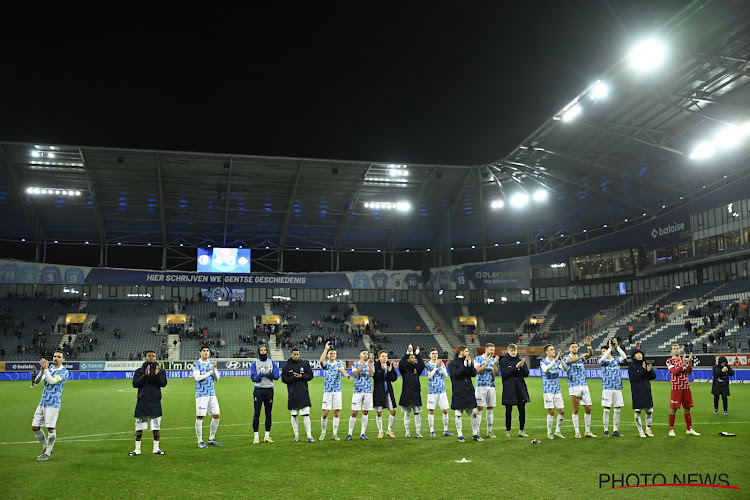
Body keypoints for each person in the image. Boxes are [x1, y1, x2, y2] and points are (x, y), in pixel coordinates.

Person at [31, 350, 69, 461]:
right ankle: (45, 446)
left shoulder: (64, 372)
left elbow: (52, 381)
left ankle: (47, 453)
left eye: (58, 357)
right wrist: (42, 371)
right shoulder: (50, 369)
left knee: (50, 429)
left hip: (53, 403)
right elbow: (37, 381)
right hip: (43, 402)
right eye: (54, 356)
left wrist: (46, 370)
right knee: (35, 427)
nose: (55, 358)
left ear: (63, 360)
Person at [129, 350, 168, 456]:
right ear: (145, 357)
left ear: (156, 358)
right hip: (143, 402)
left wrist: (157, 376)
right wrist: (145, 376)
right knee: (139, 428)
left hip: (155, 402)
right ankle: (137, 449)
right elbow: (135, 384)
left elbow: (163, 383)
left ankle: (156, 448)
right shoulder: (139, 371)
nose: (151, 357)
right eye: (149, 356)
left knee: (156, 427)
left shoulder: (161, 370)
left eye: (153, 356)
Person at [564, 337, 597, 439]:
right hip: (574, 386)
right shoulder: (566, 357)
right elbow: (570, 361)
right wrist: (581, 356)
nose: (574, 348)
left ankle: (587, 431)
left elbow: (590, 354)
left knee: (588, 408)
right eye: (572, 347)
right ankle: (577, 431)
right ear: (569, 349)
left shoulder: (580, 357)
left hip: (584, 385)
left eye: (576, 347)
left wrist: (588, 346)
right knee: (576, 409)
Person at [318, 341, 351, 440]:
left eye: (334, 353)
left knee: (336, 412)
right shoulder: (326, 364)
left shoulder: (339, 364)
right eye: (331, 353)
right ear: (328, 355)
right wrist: (325, 349)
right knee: (325, 413)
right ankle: (323, 431)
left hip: (337, 391)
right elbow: (321, 361)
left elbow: (343, 371)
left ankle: (335, 433)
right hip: (328, 391)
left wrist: (347, 375)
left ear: (336, 355)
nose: (332, 355)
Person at [282, 348, 316, 442]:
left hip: (303, 392)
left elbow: (310, 376)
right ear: (291, 354)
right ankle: (296, 436)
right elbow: (284, 379)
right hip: (292, 393)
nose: (296, 356)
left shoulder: (305, 365)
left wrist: (301, 376)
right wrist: (293, 377)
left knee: (306, 414)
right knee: (294, 415)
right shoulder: (286, 367)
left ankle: (309, 436)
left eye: (297, 354)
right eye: (294, 354)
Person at [667, 344, 700, 436]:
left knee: (687, 408)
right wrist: (682, 365)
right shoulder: (669, 361)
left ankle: (689, 429)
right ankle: (671, 429)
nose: (676, 350)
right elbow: (674, 372)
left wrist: (689, 363)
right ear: (671, 351)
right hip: (676, 388)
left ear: (680, 350)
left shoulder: (684, 360)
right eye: (674, 349)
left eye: (677, 348)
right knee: (673, 409)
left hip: (685, 387)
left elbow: (689, 372)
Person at [448, 345, 479, 442]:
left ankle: (475, 434)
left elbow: (473, 374)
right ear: (461, 352)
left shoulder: (468, 361)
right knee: (458, 413)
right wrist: (464, 366)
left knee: (474, 412)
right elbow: (455, 375)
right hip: (458, 391)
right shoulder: (452, 364)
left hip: (469, 390)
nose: (468, 352)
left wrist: (469, 365)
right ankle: (460, 435)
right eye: (466, 351)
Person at [250, 345, 280, 444]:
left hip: (269, 390)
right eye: (261, 350)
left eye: (264, 350)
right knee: (257, 413)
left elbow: (276, 377)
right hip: (258, 390)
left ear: (267, 351)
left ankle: (267, 436)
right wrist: (261, 374)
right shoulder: (255, 363)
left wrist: (269, 373)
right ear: (258, 352)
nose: (263, 352)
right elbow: (254, 378)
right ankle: (256, 437)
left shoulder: (272, 362)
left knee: (268, 413)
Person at [499, 343, 530, 438]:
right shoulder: (503, 361)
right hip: (509, 389)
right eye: (512, 350)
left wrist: (522, 366)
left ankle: (522, 430)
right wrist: (515, 367)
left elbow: (526, 374)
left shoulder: (520, 360)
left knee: (522, 410)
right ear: (508, 351)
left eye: (515, 350)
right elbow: (505, 374)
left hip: (520, 388)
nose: (514, 352)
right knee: (508, 411)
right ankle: (508, 430)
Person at [193, 346, 221, 448]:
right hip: (201, 394)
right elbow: (197, 378)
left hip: (212, 394)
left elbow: (217, 379)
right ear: (200, 352)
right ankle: (200, 441)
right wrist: (210, 371)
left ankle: (211, 438)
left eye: (207, 351)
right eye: (204, 351)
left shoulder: (211, 363)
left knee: (216, 415)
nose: (206, 352)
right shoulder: (197, 364)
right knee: (200, 417)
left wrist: (214, 368)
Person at [599, 339, 626, 437]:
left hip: (617, 388)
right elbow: (602, 359)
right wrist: (609, 349)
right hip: (607, 388)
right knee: (606, 409)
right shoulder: (603, 362)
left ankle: (615, 430)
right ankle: (606, 430)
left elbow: (624, 356)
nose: (603, 353)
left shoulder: (616, 360)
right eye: (602, 352)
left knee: (617, 409)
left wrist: (617, 347)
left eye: (604, 351)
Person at [540, 344, 567, 440]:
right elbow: (545, 369)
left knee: (562, 411)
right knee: (551, 411)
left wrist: (561, 360)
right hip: (548, 390)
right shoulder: (543, 361)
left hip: (557, 389)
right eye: (551, 350)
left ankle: (558, 431)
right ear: (546, 352)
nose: (553, 351)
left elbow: (565, 369)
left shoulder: (557, 362)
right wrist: (554, 361)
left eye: (554, 349)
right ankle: (549, 432)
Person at [346, 349, 374, 440]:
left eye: (367, 353)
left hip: (368, 391)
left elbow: (371, 374)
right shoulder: (355, 364)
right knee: (354, 412)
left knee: (365, 411)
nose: (365, 355)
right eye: (364, 353)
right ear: (360, 355)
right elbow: (356, 374)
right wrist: (363, 365)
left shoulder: (371, 364)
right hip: (357, 391)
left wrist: (369, 364)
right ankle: (349, 433)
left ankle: (363, 433)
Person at [628, 348, 656, 438]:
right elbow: (634, 378)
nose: (640, 355)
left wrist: (649, 371)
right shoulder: (632, 367)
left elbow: (653, 377)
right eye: (637, 354)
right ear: (633, 356)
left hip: (646, 391)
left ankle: (648, 429)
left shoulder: (646, 364)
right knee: (637, 413)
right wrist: (643, 370)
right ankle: (640, 431)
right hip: (637, 392)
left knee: (649, 412)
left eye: (641, 353)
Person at [399, 344, 425, 438]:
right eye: (411, 357)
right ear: (407, 359)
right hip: (406, 394)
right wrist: (407, 353)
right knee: (407, 413)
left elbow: (422, 365)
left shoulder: (417, 368)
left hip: (416, 394)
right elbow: (401, 364)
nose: (413, 359)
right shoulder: (404, 369)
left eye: (414, 358)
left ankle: (418, 432)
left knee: (417, 413)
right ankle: (407, 432)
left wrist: (418, 354)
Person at [474, 343, 499, 438]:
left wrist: (495, 364)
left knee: (490, 408)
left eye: (493, 350)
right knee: (479, 408)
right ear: (486, 349)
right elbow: (477, 371)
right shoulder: (478, 359)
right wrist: (486, 363)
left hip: (491, 386)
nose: (492, 352)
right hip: (481, 386)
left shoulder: (494, 360)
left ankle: (489, 431)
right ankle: (476, 430)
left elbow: (495, 374)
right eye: (491, 350)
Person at [425, 348, 452, 437]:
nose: (435, 355)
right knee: (431, 410)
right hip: (432, 391)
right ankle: (432, 430)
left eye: (436, 353)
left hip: (442, 390)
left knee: (445, 410)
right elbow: (429, 376)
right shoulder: (428, 365)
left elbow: (446, 375)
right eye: (433, 353)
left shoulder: (442, 364)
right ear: (430, 355)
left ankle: (446, 430)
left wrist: (440, 366)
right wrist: (436, 367)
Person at [373, 350, 398, 438]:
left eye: (386, 356)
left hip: (388, 392)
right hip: (379, 391)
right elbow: (375, 378)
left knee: (393, 411)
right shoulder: (376, 366)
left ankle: (389, 430)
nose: (385, 358)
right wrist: (383, 371)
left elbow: (394, 378)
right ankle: (380, 431)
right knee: (379, 412)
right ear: (379, 357)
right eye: (383, 356)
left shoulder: (389, 365)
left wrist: (390, 371)